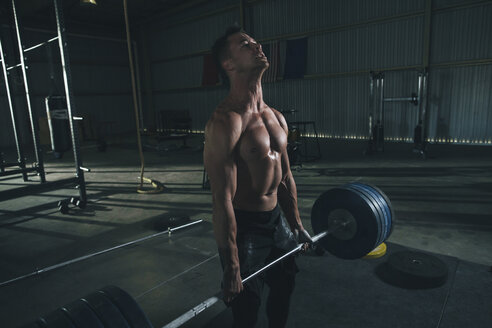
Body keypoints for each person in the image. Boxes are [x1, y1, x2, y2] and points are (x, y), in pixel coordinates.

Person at [203, 26, 313, 328]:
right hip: (246, 228)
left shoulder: (276, 116)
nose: (257, 46)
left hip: (277, 220)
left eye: (255, 42)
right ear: (228, 64)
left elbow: (286, 177)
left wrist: (297, 225)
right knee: (246, 308)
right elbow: (221, 199)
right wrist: (231, 266)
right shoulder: (226, 122)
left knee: (284, 288)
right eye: (245, 45)